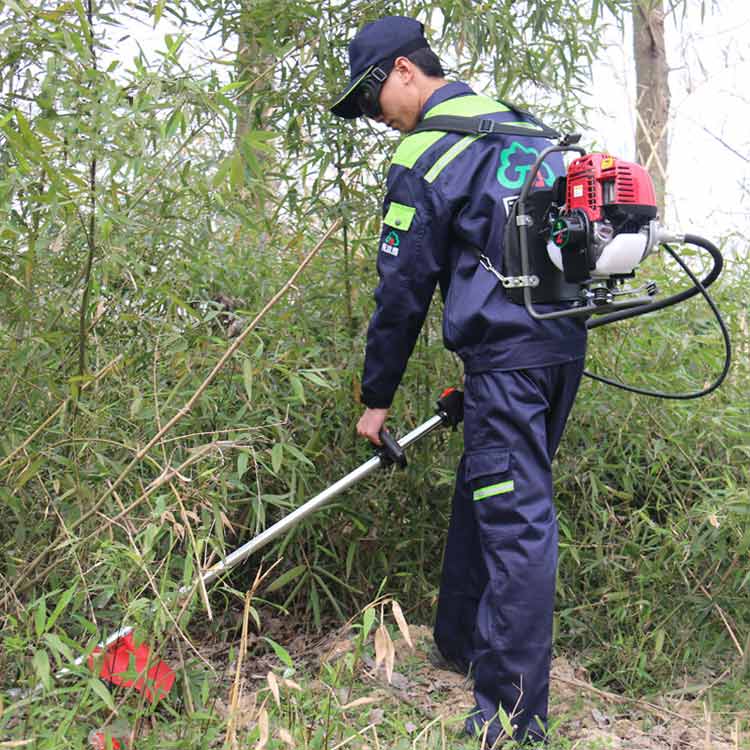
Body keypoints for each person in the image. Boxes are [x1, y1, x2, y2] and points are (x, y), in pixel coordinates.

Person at [329, 16, 587, 745]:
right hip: (560, 350)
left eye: (373, 97)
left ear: (406, 71)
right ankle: (461, 643)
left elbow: (402, 290)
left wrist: (376, 398)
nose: (375, 117)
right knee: (498, 490)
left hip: (510, 358)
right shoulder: (528, 131)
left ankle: (507, 720)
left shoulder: (430, 152)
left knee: (516, 526)